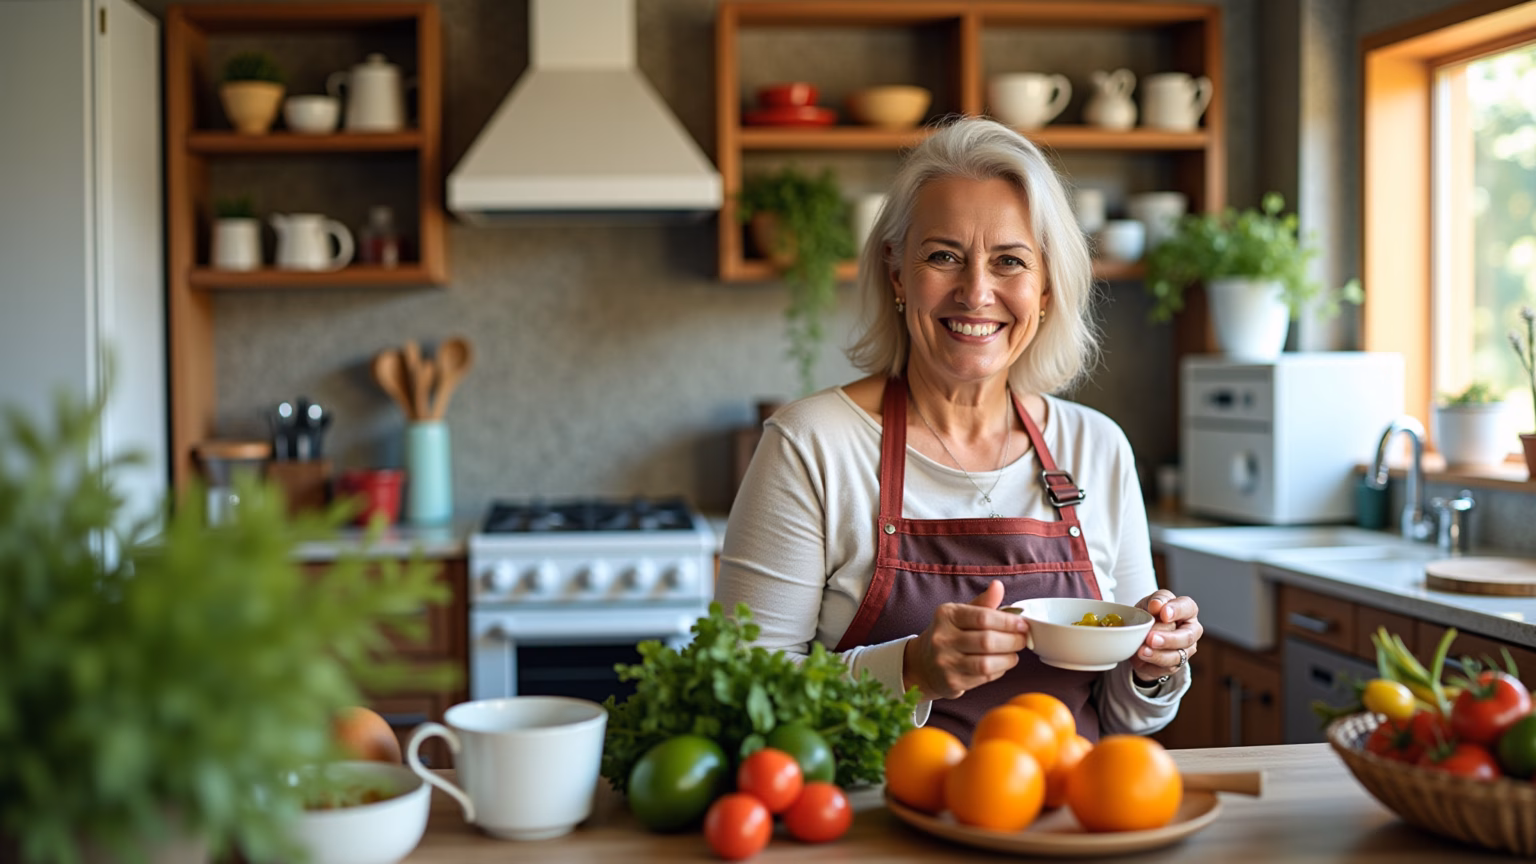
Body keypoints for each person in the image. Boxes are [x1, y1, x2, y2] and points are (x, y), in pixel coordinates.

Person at [715, 117, 1203, 743]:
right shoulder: (811, 445)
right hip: (877, 825)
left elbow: (1125, 718)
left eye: (1010, 262)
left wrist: (1154, 666)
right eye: (943, 256)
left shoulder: (1097, 447)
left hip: (1059, 819)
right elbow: (739, 695)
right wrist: (909, 669)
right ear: (897, 274)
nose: (976, 292)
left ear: (1047, 286)